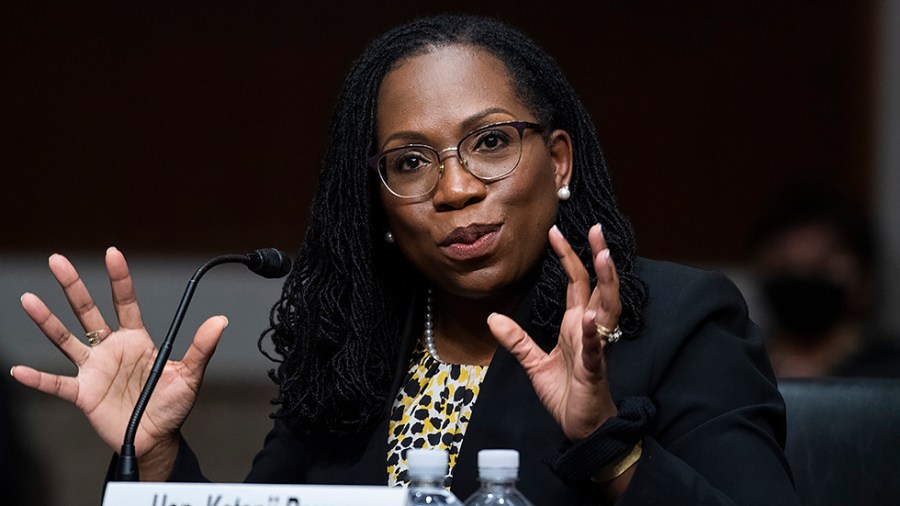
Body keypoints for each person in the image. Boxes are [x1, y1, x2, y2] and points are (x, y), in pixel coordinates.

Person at [10, 13, 799, 505]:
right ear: (380, 202)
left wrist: (613, 447)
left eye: (490, 143)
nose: (454, 189)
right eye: (411, 161)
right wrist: (153, 458)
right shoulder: (351, 346)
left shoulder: (679, 322)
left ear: (559, 162)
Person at [750, 185, 900, 378]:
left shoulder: (891, 377)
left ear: (865, 278)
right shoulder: (739, 370)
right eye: (786, 267)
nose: (803, 277)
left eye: (822, 267)